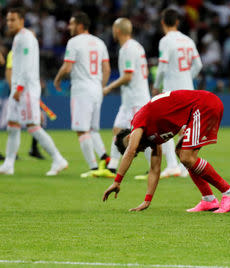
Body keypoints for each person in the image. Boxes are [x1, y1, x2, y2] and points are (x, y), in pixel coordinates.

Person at [102, 90, 230, 213]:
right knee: (181, 152)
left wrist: (117, 181)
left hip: (203, 105)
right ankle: (209, 200)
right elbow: (155, 169)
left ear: (129, 137)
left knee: (187, 157)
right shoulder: (151, 138)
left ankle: (229, 192)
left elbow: (130, 150)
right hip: (198, 108)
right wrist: (147, 201)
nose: (140, 149)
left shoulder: (138, 122)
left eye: (136, 146)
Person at [0, 8, 67, 175]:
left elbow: (27, 65)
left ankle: (58, 159)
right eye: (8, 20)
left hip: (26, 90)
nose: (9, 23)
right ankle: (9, 164)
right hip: (18, 88)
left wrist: (20, 87)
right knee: (13, 126)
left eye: (13, 20)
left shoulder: (26, 38)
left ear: (22, 20)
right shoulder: (18, 38)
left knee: (32, 126)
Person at [54, 12, 111, 176]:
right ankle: (104, 158)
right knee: (93, 129)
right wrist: (101, 86)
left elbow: (67, 67)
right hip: (96, 89)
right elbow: (106, 69)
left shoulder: (74, 42)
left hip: (81, 90)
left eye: (71, 24)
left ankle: (93, 168)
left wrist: (57, 79)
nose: (68, 27)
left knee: (81, 130)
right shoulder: (100, 43)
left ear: (80, 25)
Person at [150, 8, 203, 179]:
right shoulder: (188, 40)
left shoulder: (166, 41)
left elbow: (163, 67)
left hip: (172, 90)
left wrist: (156, 86)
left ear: (163, 22)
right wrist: (187, 76)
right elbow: (198, 65)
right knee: (185, 128)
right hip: (188, 89)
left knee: (162, 127)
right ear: (178, 22)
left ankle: (173, 164)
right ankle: (185, 165)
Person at [99, 18, 151, 177]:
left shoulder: (127, 49)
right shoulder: (137, 46)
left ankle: (153, 169)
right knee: (118, 129)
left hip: (136, 99)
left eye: (114, 29)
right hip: (131, 98)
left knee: (144, 136)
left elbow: (128, 76)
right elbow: (145, 72)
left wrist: (109, 87)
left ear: (118, 31)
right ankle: (112, 167)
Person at [6, 50, 45, 160]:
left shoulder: (27, 52)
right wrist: (13, 90)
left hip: (26, 92)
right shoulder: (15, 52)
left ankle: (32, 149)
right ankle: (57, 157)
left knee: (32, 122)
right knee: (26, 124)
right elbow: (9, 71)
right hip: (20, 93)